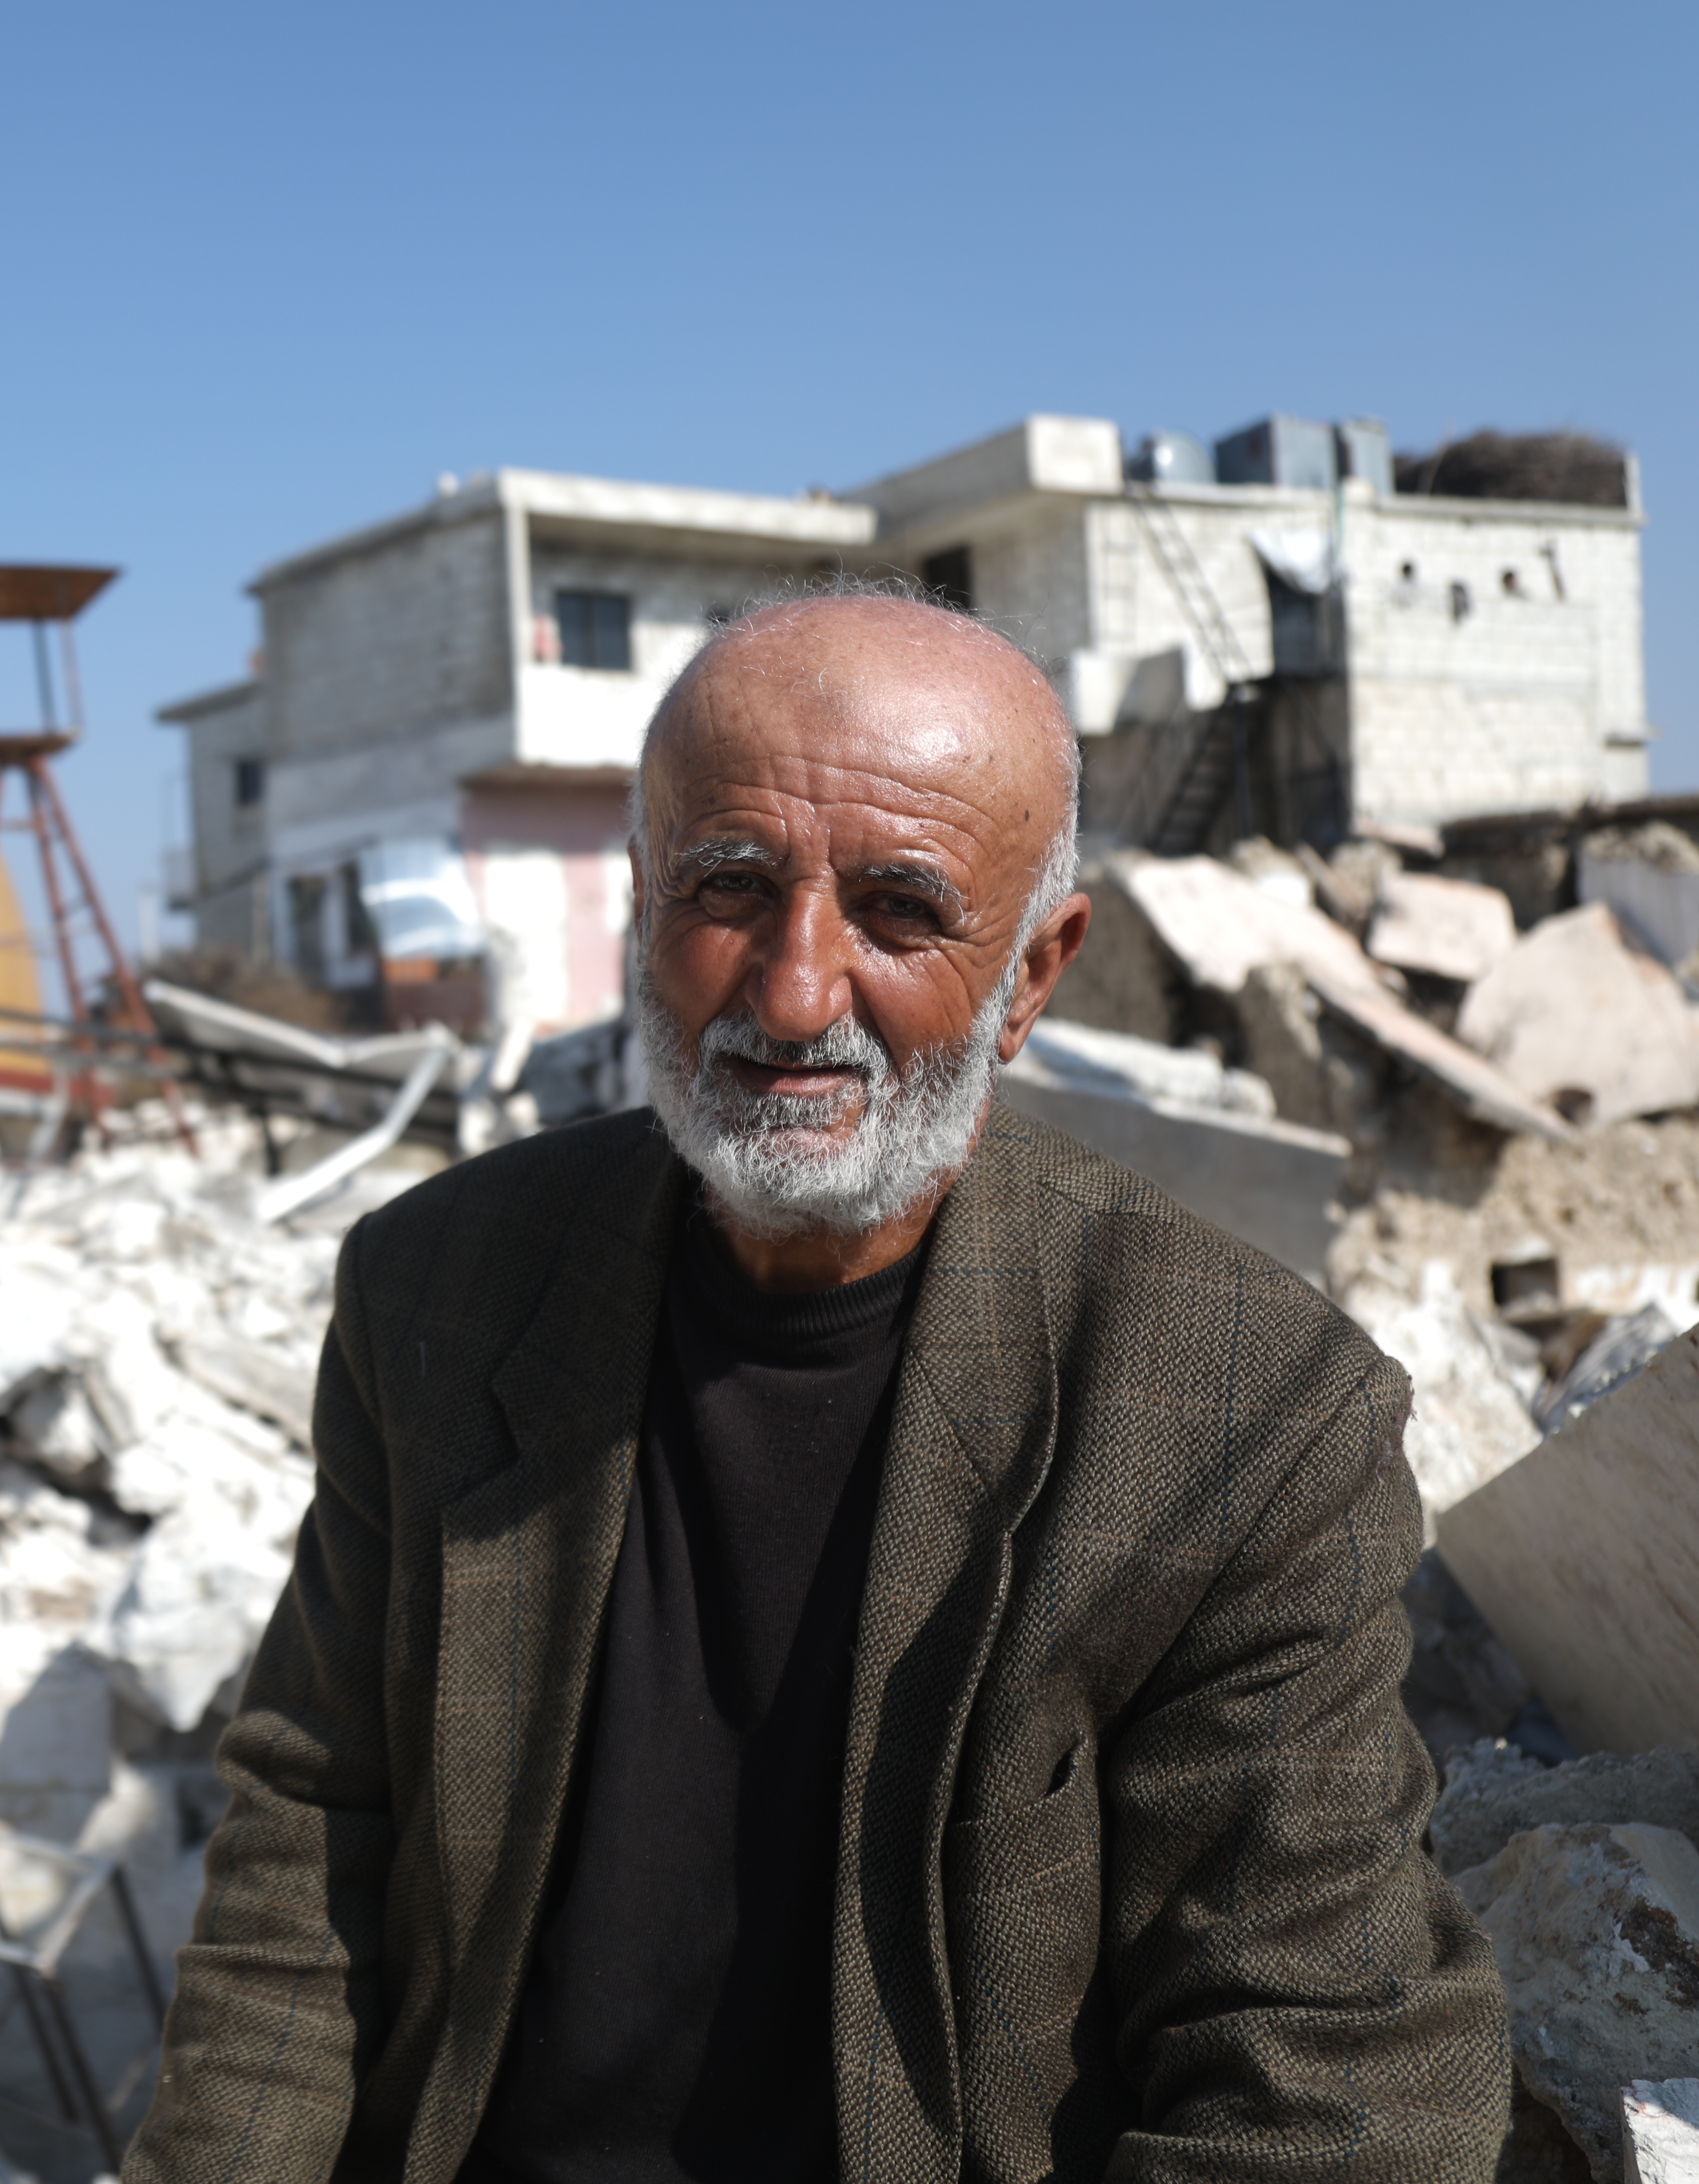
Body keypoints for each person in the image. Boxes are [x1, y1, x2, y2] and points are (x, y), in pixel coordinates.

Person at [120, 588, 1511, 2184]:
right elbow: (312, 1835)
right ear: (645, 905)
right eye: (729, 887)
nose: (793, 994)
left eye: (902, 913)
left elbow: (1330, 2074)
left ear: (1037, 973)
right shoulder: (440, 1292)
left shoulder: (1242, 1414)